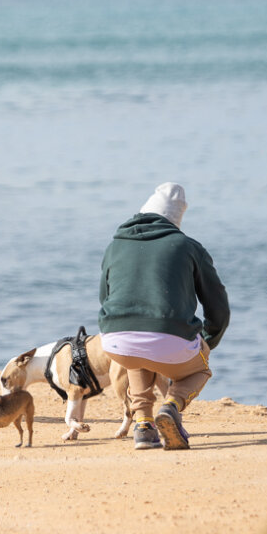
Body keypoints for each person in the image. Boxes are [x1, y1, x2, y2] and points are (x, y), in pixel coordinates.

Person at [99, 182, 229, 450]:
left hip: (115, 342)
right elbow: (218, 305)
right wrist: (207, 340)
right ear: (175, 221)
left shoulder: (115, 245)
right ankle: (172, 406)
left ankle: (144, 425)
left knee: (138, 352)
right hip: (169, 343)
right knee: (201, 368)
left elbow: (105, 297)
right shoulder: (189, 247)